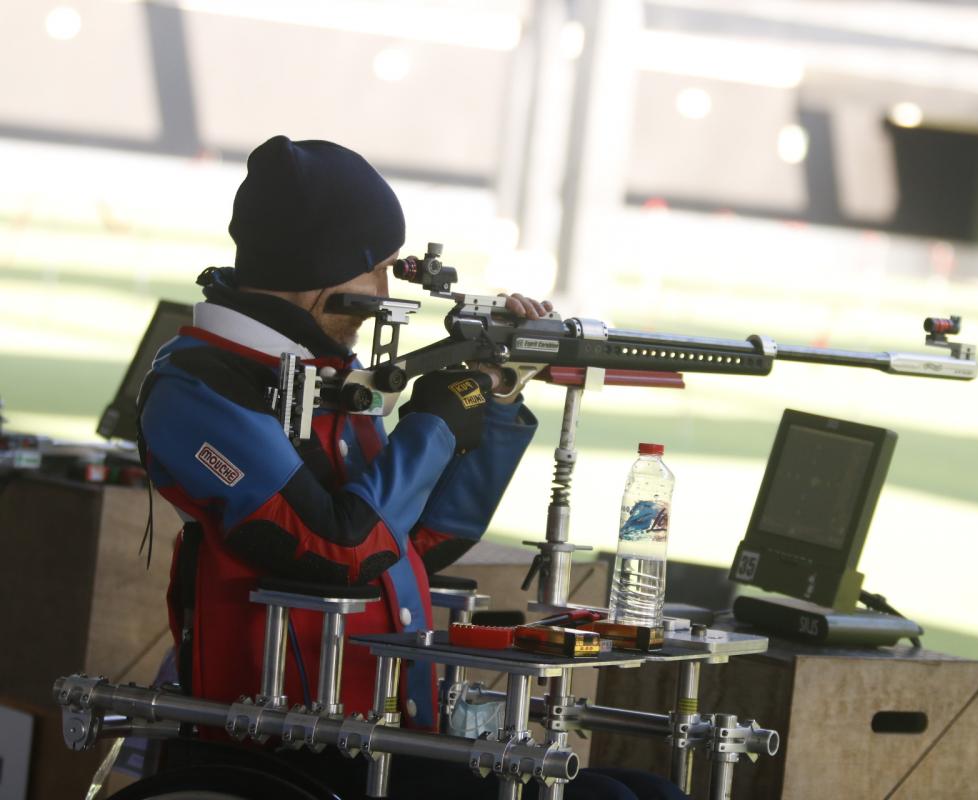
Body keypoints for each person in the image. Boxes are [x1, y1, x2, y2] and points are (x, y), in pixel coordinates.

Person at [138, 135, 684, 800]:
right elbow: (339, 548)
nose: (383, 291)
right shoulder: (201, 385)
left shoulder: (324, 372)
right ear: (323, 271)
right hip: (293, 743)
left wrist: (497, 399)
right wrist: (433, 423)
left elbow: (420, 539)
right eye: (378, 271)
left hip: (388, 728)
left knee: (647, 792)